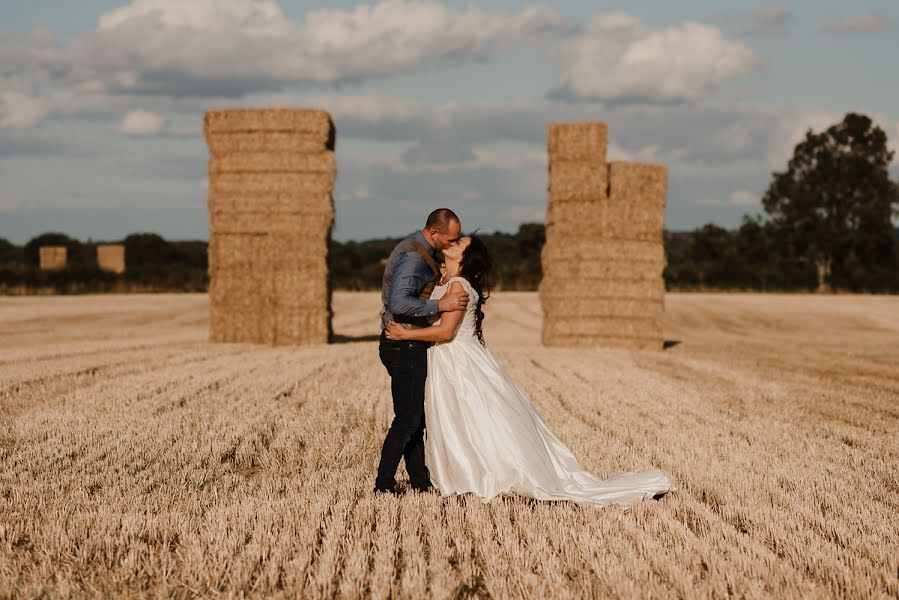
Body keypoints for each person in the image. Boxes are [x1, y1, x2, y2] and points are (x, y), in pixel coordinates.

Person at [386, 236, 675, 505]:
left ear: (466, 256)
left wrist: (403, 335)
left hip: (458, 360)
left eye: (460, 241)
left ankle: (481, 474)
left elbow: (447, 331)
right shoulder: (444, 280)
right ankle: (462, 472)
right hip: (447, 360)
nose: (454, 240)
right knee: (460, 418)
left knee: (473, 417)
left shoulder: (458, 284)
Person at [374, 208, 469, 495]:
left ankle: (419, 482)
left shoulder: (421, 252)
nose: (453, 243)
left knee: (415, 416)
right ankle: (384, 484)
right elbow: (399, 303)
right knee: (408, 417)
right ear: (434, 233)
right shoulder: (415, 257)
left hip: (410, 341)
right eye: (450, 239)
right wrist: (441, 306)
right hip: (404, 343)